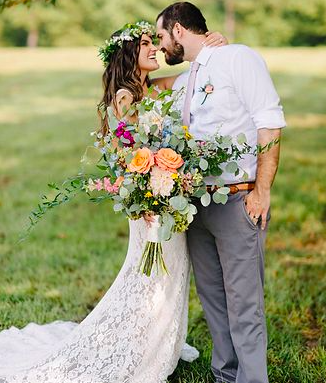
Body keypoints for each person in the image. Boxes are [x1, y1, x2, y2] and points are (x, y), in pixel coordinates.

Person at [0, 21, 227, 383]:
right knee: (149, 274)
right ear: (128, 53)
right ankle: (135, 345)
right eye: (146, 44)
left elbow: (193, 77)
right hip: (148, 199)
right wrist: (149, 185)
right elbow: (126, 154)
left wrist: (213, 48)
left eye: (155, 41)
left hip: (163, 191)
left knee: (169, 272)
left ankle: (156, 339)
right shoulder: (124, 96)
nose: (154, 48)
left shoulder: (154, 89)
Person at [156, 2, 286, 383]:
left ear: (179, 30)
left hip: (236, 200)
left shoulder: (238, 59)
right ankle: (224, 375)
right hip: (196, 205)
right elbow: (140, 86)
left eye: (162, 37)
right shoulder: (186, 80)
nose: (161, 47)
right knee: (213, 300)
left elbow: (270, 124)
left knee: (244, 303)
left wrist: (261, 191)